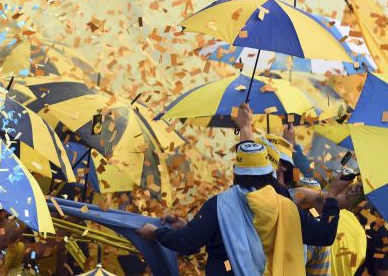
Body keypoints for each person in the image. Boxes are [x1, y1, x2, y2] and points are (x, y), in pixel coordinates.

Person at [136, 104, 350, 276]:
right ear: (270, 171)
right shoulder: (286, 206)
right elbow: (325, 235)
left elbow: (187, 243)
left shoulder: (220, 205)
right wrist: (331, 197)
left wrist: (156, 232)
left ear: (236, 172)